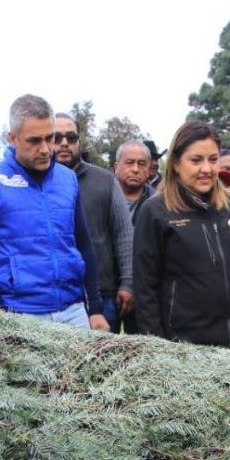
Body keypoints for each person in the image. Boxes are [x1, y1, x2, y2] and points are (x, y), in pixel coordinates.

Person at [0, 95, 107, 330]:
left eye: (50, 138)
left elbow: (83, 243)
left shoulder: (68, 179)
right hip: (21, 316)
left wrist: (95, 308)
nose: (46, 149)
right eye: (34, 140)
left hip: (74, 312)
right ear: (13, 138)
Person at [133, 120, 230, 351]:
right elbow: (145, 289)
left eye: (213, 159)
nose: (207, 169)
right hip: (185, 352)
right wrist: (156, 351)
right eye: (196, 160)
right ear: (177, 163)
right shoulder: (156, 211)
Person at [54, 114, 133, 331]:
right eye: (56, 137)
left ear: (78, 142)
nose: (64, 143)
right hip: (54, 300)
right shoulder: (35, 183)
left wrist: (128, 283)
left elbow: (124, 234)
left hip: (103, 294)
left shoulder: (105, 180)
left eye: (71, 137)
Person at [114, 140, 154, 224]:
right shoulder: (103, 197)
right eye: (129, 163)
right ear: (116, 167)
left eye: (141, 164)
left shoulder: (158, 202)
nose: (135, 169)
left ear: (148, 170)